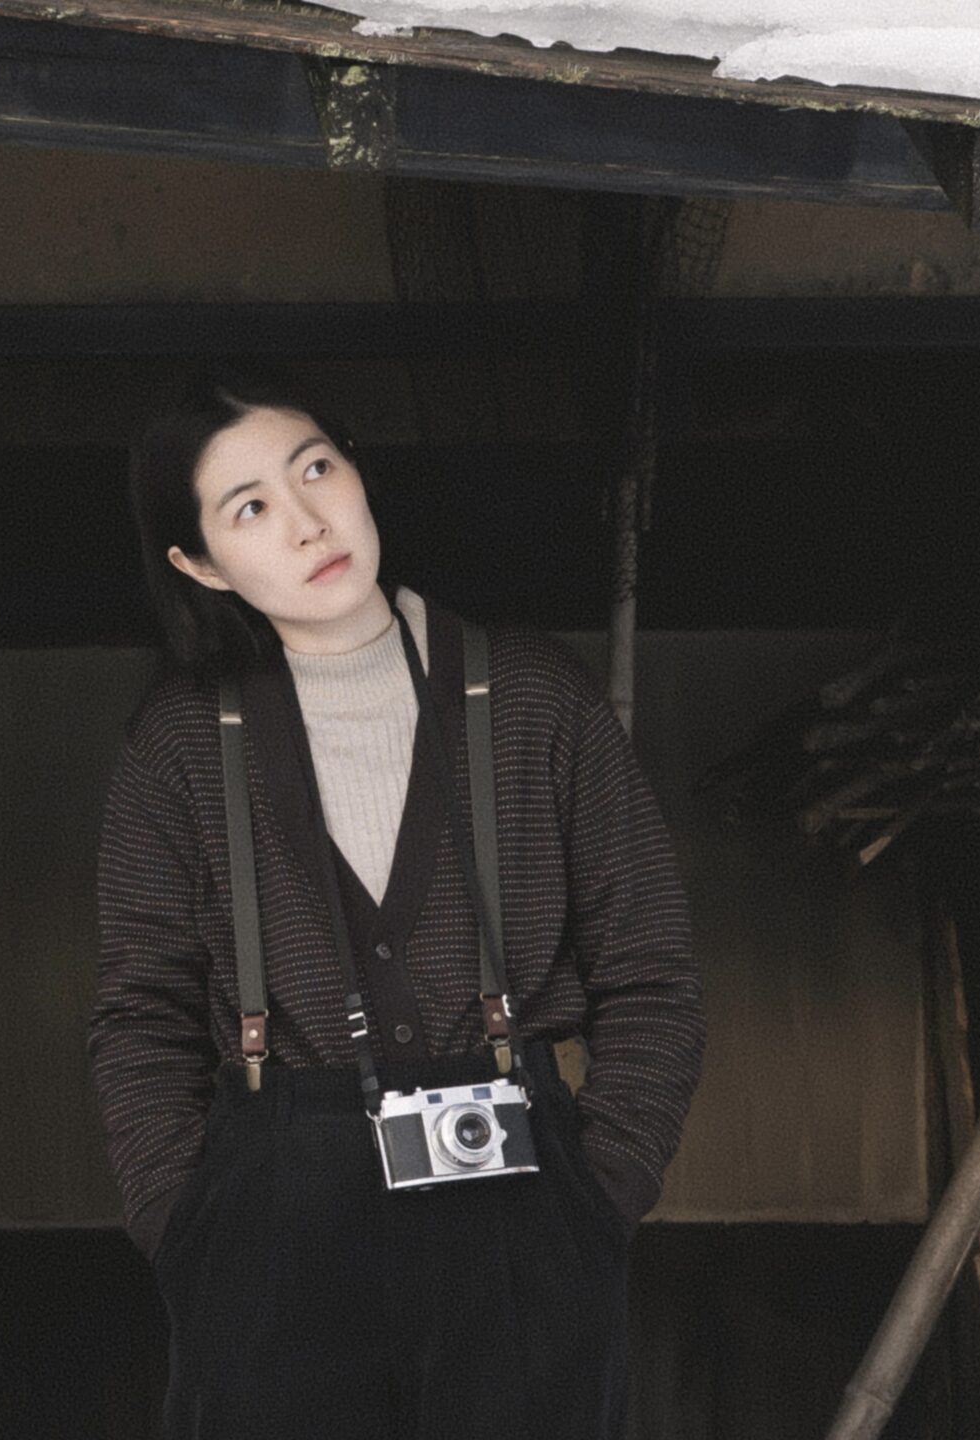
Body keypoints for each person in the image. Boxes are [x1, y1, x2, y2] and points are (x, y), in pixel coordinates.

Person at [92, 372, 705, 1437]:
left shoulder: (531, 694)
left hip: (521, 1200)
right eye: (251, 508)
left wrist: (597, 1196)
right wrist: (182, 1220)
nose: (308, 522)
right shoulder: (179, 743)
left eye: (316, 469)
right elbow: (139, 1015)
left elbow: (649, 969)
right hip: (273, 1218)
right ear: (199, 564)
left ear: (357, 472)